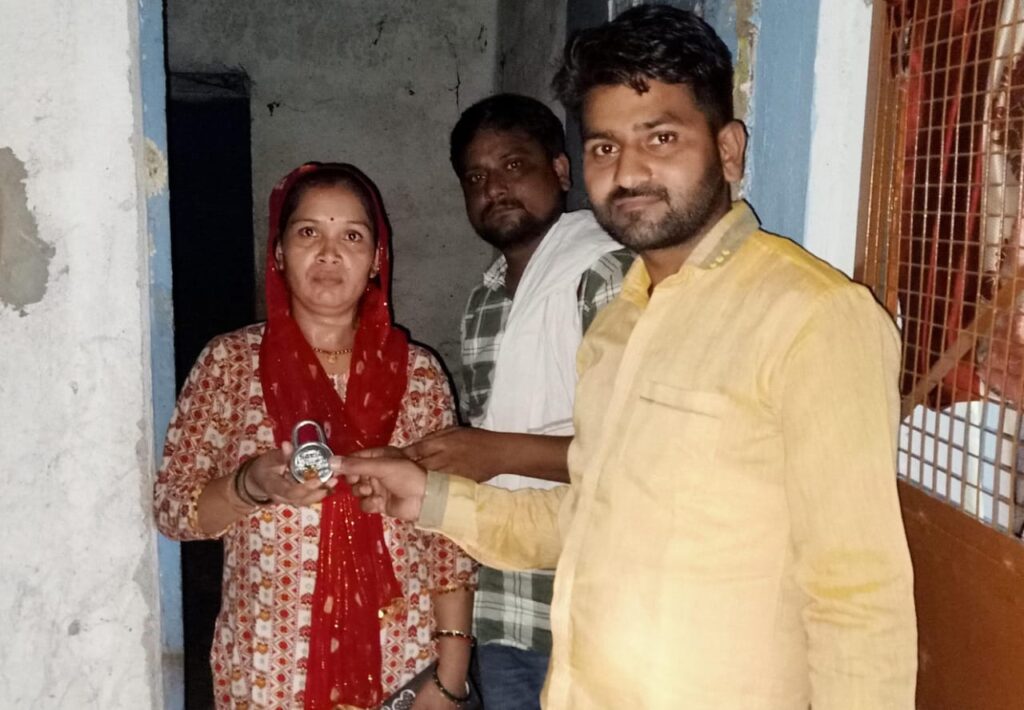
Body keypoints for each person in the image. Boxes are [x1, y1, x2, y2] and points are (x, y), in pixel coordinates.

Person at [343, 6, 918, 709]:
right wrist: (429, 497)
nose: (629, 170)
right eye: (605, 147)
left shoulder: (811, 318)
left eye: (661, 137)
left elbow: (859, 596)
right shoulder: (620, 324)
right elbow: (583, 515)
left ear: (728, 150)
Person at [154, 162, 477, 710]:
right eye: (309, 232)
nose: (329, 253)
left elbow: (449, 536)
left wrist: (450, 677)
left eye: (352, 236)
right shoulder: (230, 362)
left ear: (376, 259)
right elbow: (172, 510)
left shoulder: (417, 373)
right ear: (279, 252)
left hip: (401, 667)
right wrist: (251, 485)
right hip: (270, 672)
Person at [404, 94, 632, 710]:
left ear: (560, 170)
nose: (495, 189)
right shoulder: (484, 301)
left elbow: (637, 453)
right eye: (475, 178)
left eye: (512, 166)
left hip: (593, 603)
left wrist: (493, 453)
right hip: (505, 603)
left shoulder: (607, 276)